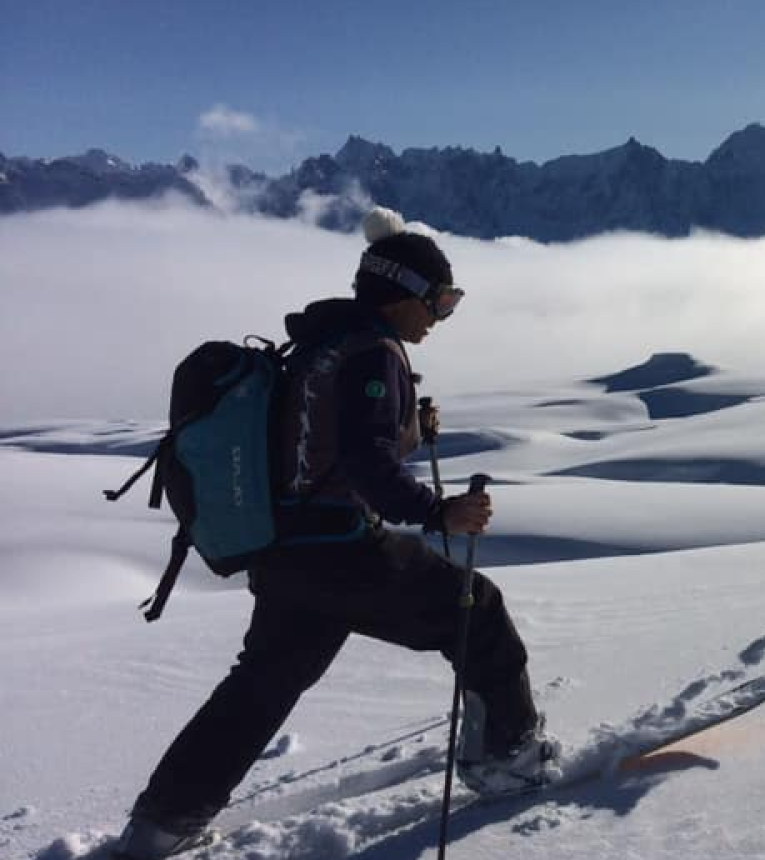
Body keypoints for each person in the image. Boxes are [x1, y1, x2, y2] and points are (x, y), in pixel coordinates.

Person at [112, 208, 557, 860]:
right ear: (403, 293)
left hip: (285, 555)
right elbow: (363, 463)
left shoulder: (326, 342)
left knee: (260, 687)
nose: (441, 316)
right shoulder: (373, 352)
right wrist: (440, 513)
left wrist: (407, 417)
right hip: (342, 551)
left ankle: (161, 823)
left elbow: (321, 432)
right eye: (441, 300)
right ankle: (507, 760)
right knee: (477, 612)